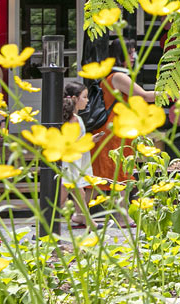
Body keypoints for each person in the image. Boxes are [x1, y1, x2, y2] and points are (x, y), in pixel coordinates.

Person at [94, 37, 155, 183]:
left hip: (117, 135)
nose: (133, 57)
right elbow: (144, 95)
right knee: (114, 180)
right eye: (129, 53)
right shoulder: (118, 76)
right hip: (113, 137)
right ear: (119, 54)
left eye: (134, 53)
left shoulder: (112, 76)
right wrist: (171, 93)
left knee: (112, 181)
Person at [60, 80, 92, 227]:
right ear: (74, 99)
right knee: (76, 192)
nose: (87, 100)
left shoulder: (75, 118)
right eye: (84, 97)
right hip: (71, 161)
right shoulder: (74, 120)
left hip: (75, 160)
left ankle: (82, 218)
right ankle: (89, 222)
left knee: (71, 193)